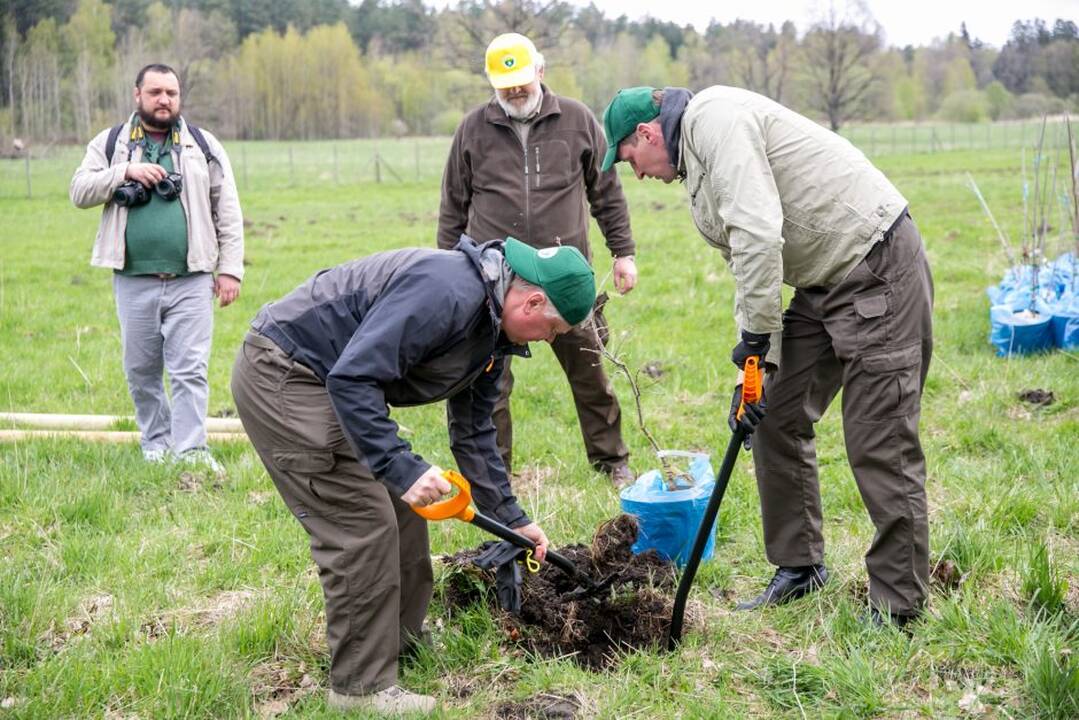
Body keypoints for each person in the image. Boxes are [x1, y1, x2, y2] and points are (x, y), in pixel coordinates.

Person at [600, 85, 933, 627]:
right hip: (820, 281)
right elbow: (749, 265)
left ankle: (898, 603)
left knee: (879, 436)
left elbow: (758, 231)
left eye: (629, 159)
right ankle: (800, 567)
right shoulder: (696, 169)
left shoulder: (715, 119)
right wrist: (756, 369)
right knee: (770, 411)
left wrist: (756, 338)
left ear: (646, 133)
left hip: (874, 264)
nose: (633, 173)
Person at [231, 236, 595, 715]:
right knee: (362, 523)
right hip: (286, 373)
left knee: (406, 512)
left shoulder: (493, 333)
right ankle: (359, 689)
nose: (548, 341)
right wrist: (401, 467)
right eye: (551, 329)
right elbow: (353, 377)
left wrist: (513, 519)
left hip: (331, 381)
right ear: (532, 301)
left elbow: (473, 431)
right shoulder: (446, 292)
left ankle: (399, 643)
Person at [438, 33, 638, 487]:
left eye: (521, 84)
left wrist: (623, 252)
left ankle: (612, 461)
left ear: (540, 73)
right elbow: (453, 205)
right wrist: (447, 272)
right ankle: (497, 471)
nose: (514, 93)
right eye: (504, 86)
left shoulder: (578, 120)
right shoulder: (472, 129)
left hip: (565, 280)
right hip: (494, 283)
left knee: (590, 375)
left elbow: (606, 193)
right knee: (489, 385)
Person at [70, 63, 243, 471]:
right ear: (138, 95)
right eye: (155, 92)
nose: (165, 100)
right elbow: (78, 191)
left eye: (172, 92)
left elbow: (228, 210)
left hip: (192, 278)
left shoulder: (203, 143)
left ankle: (191, 451)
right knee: (141, 370)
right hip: (133, 278)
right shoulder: (111, 142)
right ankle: (155, 443)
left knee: (190, 369)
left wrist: (230, 269)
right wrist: (124, 172)